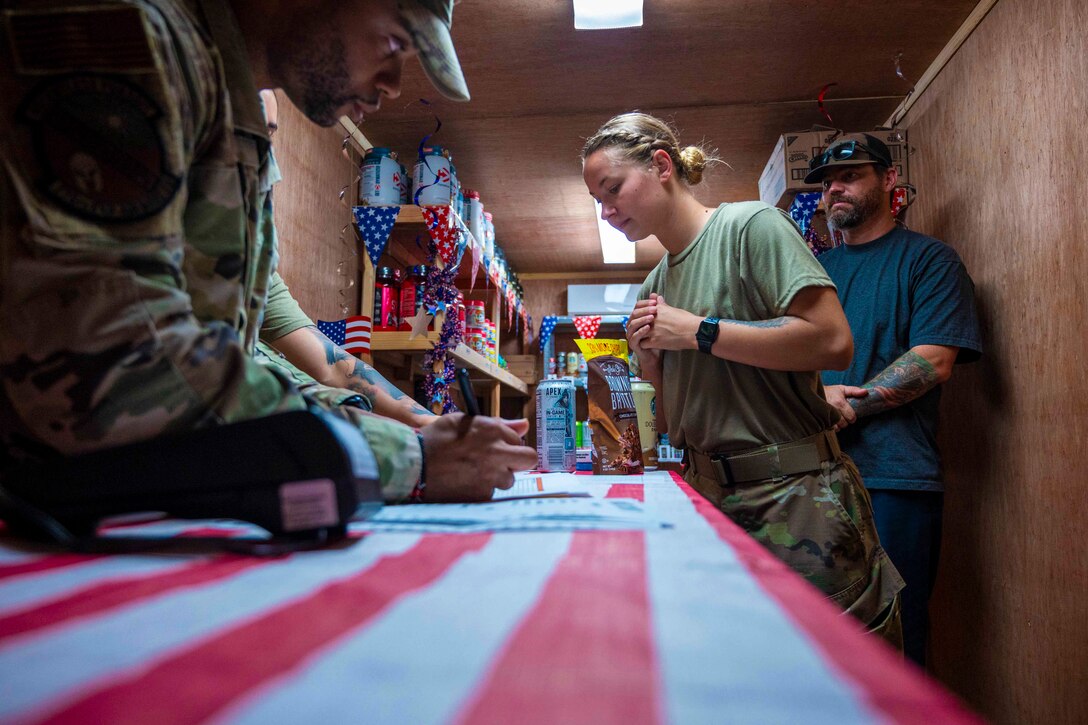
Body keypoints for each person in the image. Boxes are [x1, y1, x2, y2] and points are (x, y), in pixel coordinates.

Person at [0, 0, 536, 503]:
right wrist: (408, 458)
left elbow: (249, 358)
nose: (394, 86)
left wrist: (419, 428)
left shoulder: (226, 99)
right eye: (395, 43)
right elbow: (113, 374)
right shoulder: (127, 43)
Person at [583, 112, 904, 644]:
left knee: (842, 684)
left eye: (612, 189)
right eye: (597, 200)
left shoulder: (750, 227)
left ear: (662, 166)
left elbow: (831, 340)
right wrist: (651, 362)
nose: (606, 211)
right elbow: (668, 422)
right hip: (708, 499)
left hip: (796, 500)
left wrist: (699, 332)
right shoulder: (654, 286)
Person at [804, 133, 982, 665]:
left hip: (894, 479)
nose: (835, 188)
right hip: (812, 481)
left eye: (852, 175)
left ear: (889, 180)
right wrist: (816, 393)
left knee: (895, 640)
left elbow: (934, 359)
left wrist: (850, 403)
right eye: (828, 182)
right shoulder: (816, 274)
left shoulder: (930, 260)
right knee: (818, 639)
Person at [256, 88, 434, 429]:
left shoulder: (253, 260)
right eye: (248, 137)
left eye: (268, 138)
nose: (266, 163)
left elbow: (332, 365)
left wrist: (432, 423)